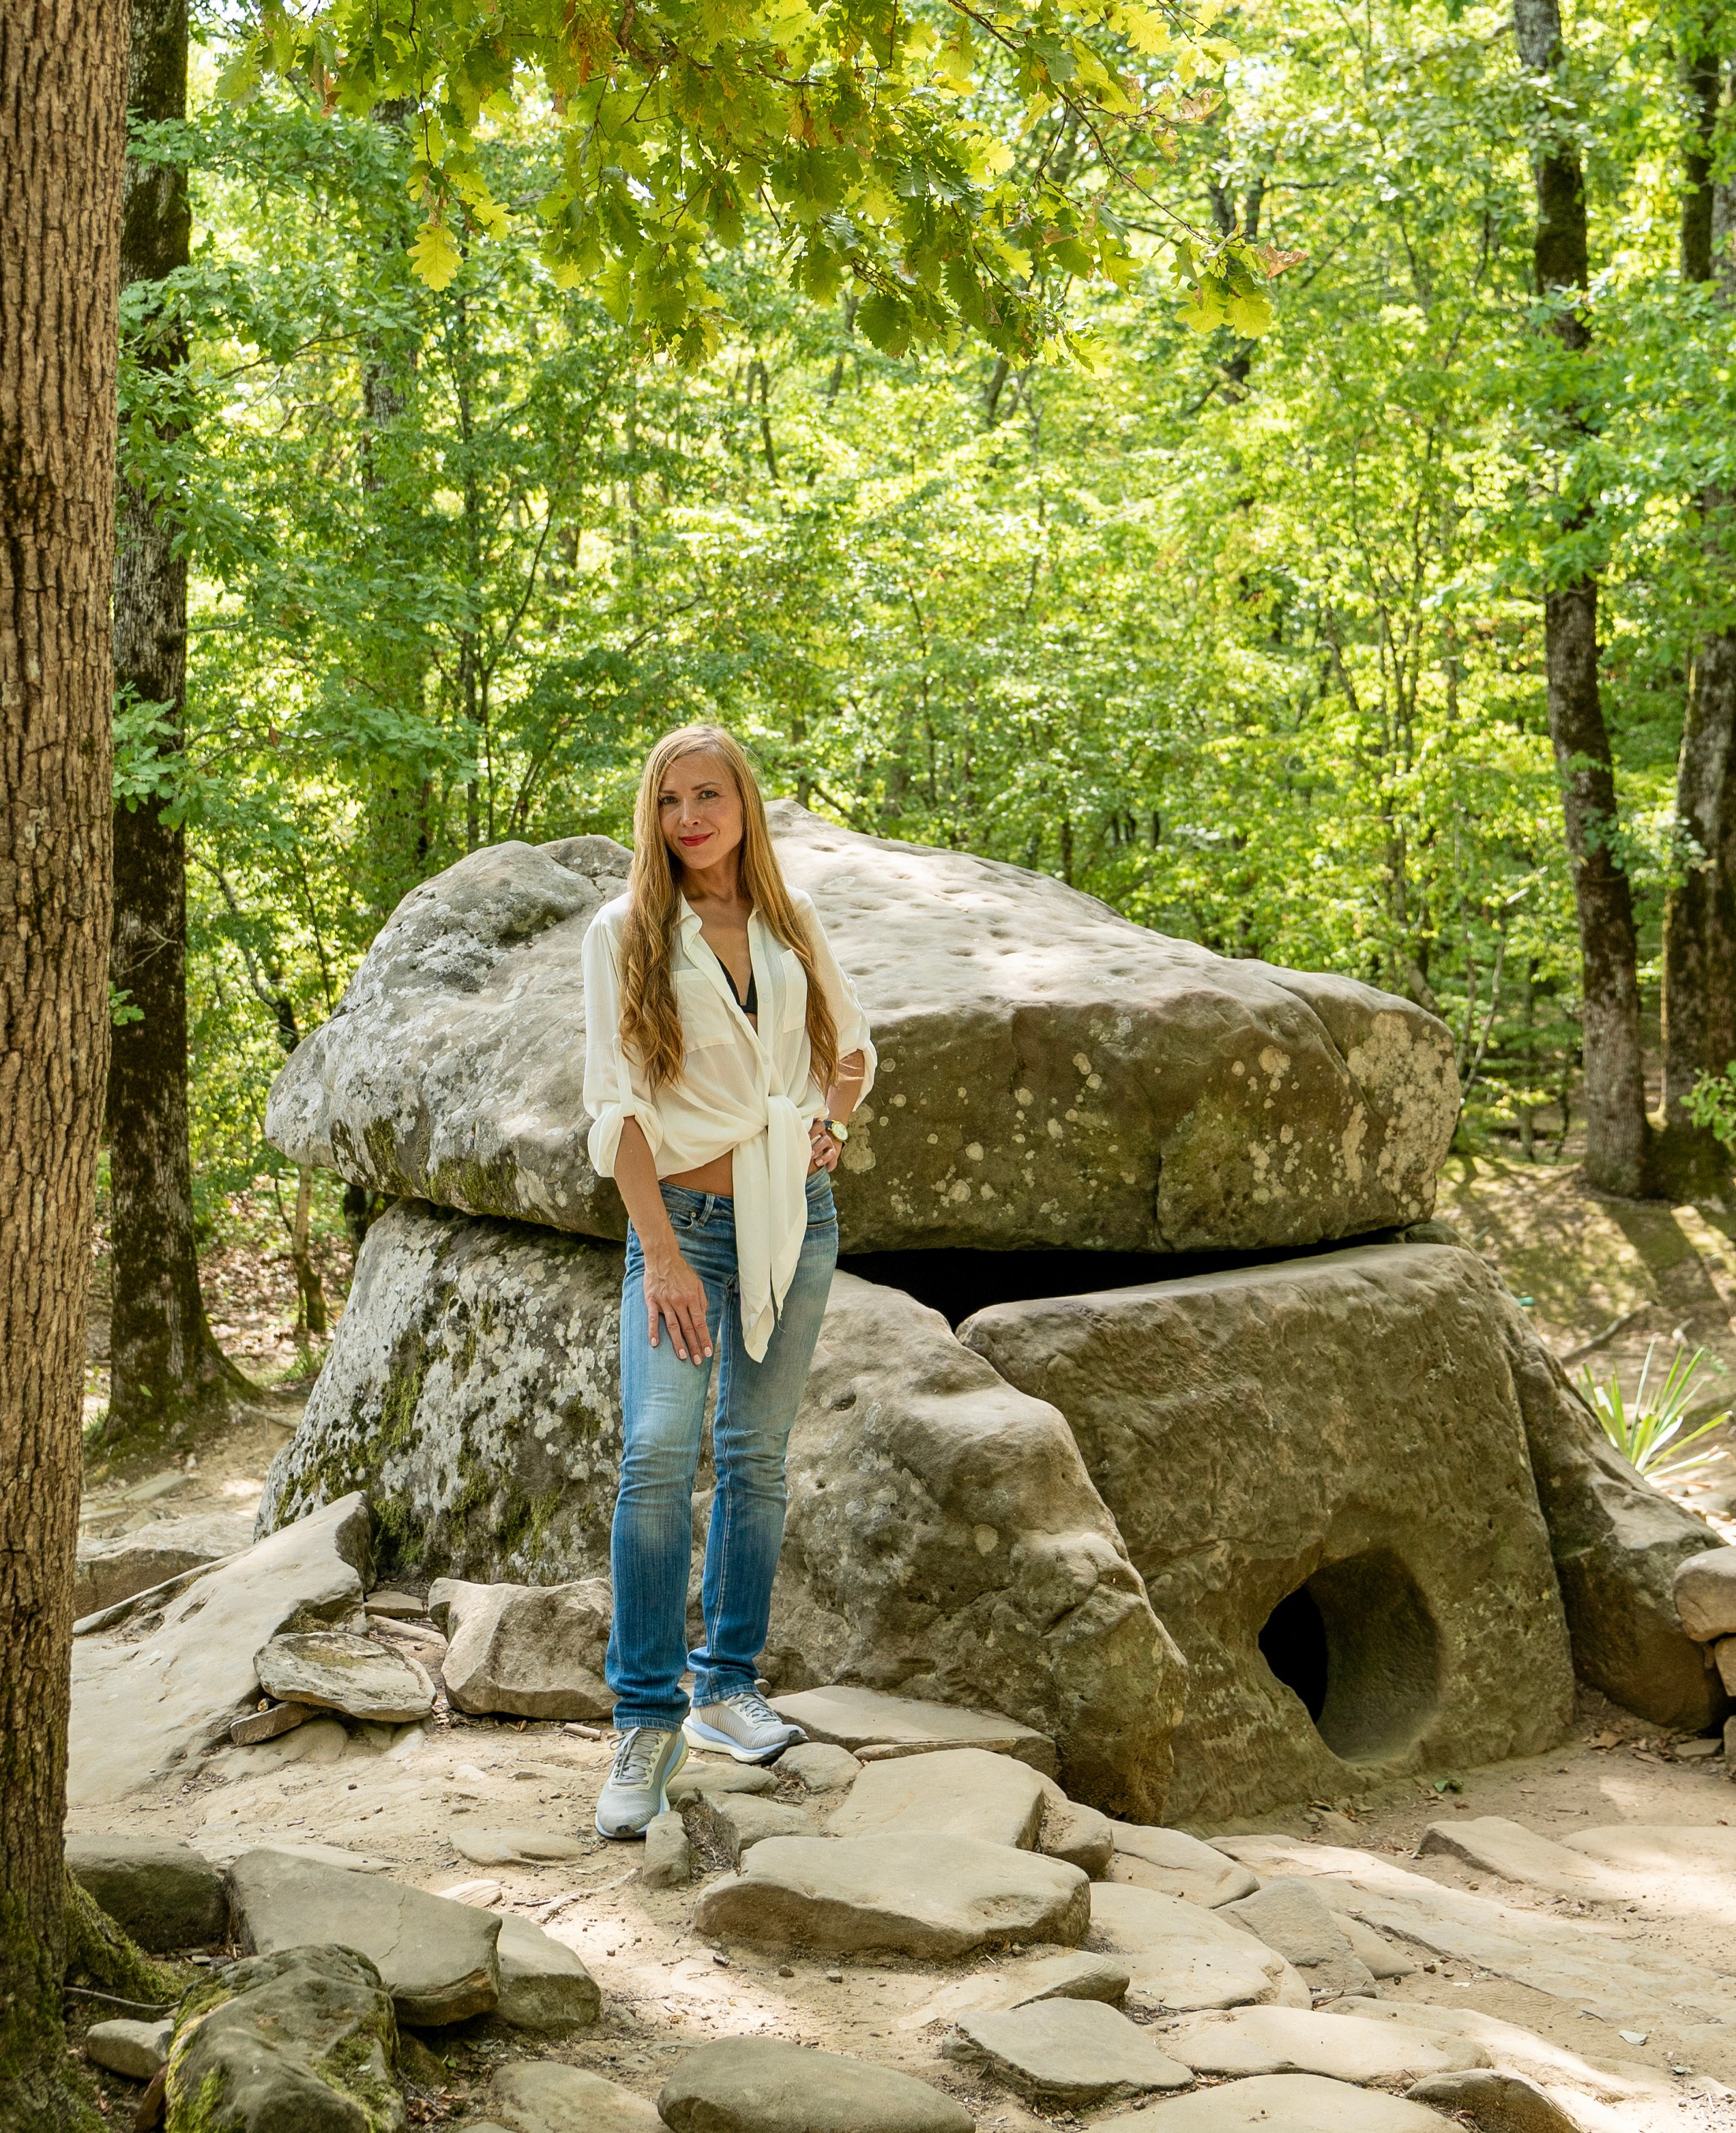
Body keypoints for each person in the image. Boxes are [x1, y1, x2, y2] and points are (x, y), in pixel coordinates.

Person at [580, 724, 873, 1838]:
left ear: (744, 805)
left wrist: (829, 1131)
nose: (690, 817)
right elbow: (614, 1104)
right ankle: (645, 1719)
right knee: (657, 1454)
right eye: (669, 801)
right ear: (650, 819)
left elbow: (851, 1045)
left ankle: (727, 1690)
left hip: (793, 1221)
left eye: (709, 795)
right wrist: (658, 1249)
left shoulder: (787, 925)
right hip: (682, 1228)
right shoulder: (625, 934)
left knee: (755, 1457)